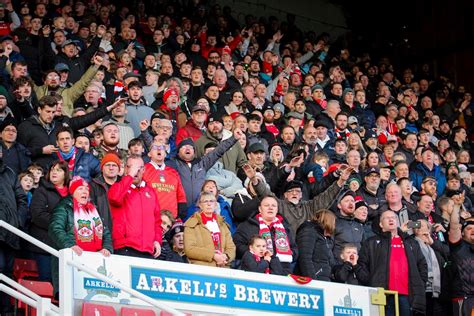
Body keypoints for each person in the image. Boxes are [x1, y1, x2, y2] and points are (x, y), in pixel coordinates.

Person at [48, 176, 112, 295]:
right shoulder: (64, 207)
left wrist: (106, 247)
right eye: (80, 189)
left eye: (86, 189)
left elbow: (106, 232)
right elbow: (55, 228)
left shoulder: (94, 210)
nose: (85, 192)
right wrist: (70, 245)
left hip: (93, 265)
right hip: (71, 264)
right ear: (72, 192)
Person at [357, 210, 428, 316]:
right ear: (381, 224)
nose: (391, 219)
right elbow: (362, 266)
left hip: (408, 296)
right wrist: (371, 282)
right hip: (383, 295)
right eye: (387, 218)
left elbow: (422, 265)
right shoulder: (371, 242)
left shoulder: (411, 242)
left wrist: (420, 284)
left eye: (393, 218)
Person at [108, 155, 162, 258]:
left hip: (147, 250)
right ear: (126, 169)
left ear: (143, 169)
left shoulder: (151, 192)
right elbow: (115, 198)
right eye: (131, 167)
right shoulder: (117, 187)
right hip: (125, 247)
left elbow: (157, 221)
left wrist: (157, 240)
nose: (135, 171)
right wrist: (130, 176)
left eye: (138, 168)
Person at [234, 196, 297, 274]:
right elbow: (237, 245)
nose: (270, 208)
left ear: (277, 209)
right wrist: (255, 253)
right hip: (257, 270)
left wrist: (291, 254)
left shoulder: (285, 227)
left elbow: (294, 248)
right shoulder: (247, 225)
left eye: (273, 206)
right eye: (266, 205)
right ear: (260, 209)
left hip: (283, 271)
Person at [29, 161, 70, 281]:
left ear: (65, 173)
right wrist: (60, 224)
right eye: (52, 169)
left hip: (64, 246)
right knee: (47, 280)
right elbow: (37, 214)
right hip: (44, 244)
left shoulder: (72, 193)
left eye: (58, 170)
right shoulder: (42, 191)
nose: (54, 172)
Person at [184, 192, 236, 267]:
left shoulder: (222, 224)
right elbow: (189, 249)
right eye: (205, 201)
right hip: (202, 268)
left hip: (223, 267)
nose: (209, 204)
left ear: (215, 205)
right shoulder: (192, 223)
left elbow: (231, 247)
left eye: (211, 201)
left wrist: (226, 256)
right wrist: (213, 255)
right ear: (200, 205)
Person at [448, 201, 474, 314]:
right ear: (462, 233)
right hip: (463, 299)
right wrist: (457, 207)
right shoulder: (458, 246)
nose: (473, 230)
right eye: (469, 229)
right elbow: (454, 226)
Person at [296, 209, 337, 281]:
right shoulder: (309, 231)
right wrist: (312, 280)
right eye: (333, 222)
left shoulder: (326, 238)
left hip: (325, 279)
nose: (334, 225)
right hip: (314, 280)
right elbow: (305, 258)